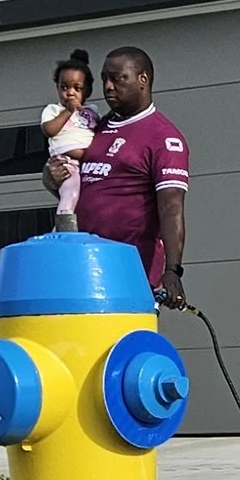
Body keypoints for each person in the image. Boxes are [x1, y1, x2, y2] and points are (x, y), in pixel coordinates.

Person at [66, 43, 189, 307]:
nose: (108, 86)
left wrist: (173, 269)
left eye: (117, 78)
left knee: (122, 347)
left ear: (142, 79)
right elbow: (83, 189)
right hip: (85, 268)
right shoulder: (94, 130)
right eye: (104, 79)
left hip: (131, 272)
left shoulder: (163, 137)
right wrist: (51, 178)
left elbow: (171, 207)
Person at [42, 48, 99, 230]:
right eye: (64, 87)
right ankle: (63, 227)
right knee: (70, 193)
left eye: (77, 88)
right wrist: (68, 111)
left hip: (87, 165)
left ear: (87, 91)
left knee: (81, 195)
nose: (70, 93)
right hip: (66, 163)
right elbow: (49, 130)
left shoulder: (91, 112)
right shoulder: (54, 110)